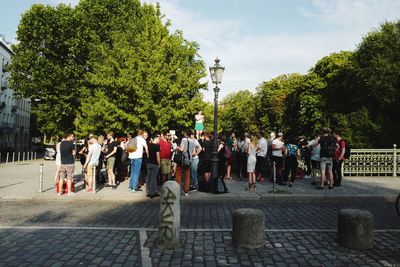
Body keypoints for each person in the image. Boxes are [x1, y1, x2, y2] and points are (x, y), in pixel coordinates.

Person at [175, 130, 192, 196]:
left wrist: (177, 148)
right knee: (187, 176)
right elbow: (193, 151)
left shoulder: (184, 139)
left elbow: (181, 149)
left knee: (178, 175)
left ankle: (178, 190)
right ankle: (186, 191)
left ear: (185, 134)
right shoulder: (192, 141)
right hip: (189, 160)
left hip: (182, 160)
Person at [146, 134, 161, 198]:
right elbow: (158, 156)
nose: (159, 140)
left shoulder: (148, 145)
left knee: (148, 178)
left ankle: (148, 192)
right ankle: (153, 193)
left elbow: (147, 154)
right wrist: (159, 163)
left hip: (149, 163)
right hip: (155, 163)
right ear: (155, 138)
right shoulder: (157, 146)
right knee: (153, 178)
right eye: (158, 139)